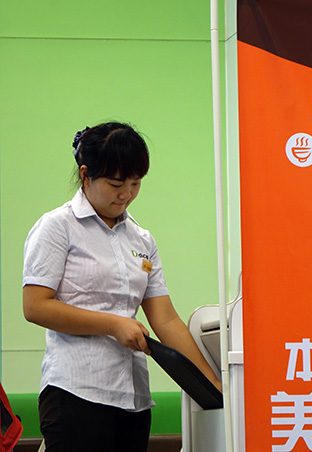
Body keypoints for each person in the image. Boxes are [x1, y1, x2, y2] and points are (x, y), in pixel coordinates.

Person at [22, 122, 222, 452]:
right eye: (116, 184)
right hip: (76, 392)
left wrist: (212, 384)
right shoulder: (58, 227)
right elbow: (35, 306)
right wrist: (114, 324)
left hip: (133, 399)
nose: (126, 194)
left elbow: (166, 319)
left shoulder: (141, 239)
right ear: (86, 175)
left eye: (135, 183)